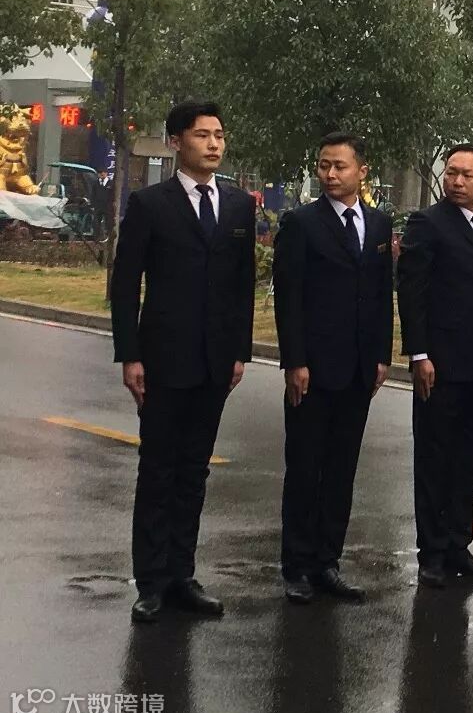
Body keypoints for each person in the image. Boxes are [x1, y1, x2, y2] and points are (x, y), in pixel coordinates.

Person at [111, 100, 256, 623]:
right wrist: (130, 355)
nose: (214, 144)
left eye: (219, 134)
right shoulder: (150, 204)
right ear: (176, 142)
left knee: (194, 472)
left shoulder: (237, 206)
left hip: (215, 363)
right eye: (201, 135)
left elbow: (242, 285)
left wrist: (240, 351)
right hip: (163, 359)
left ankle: (182, 574)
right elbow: (125, 285)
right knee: (158, 470)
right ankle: (151, 582)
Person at [272, 132, 393, 605]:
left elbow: (381, 294)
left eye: (340, 166)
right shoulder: (301, 223)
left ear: (362, 171)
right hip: (314, 368)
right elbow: (289, 297)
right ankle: (296, 566)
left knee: (342, 470)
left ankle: (328, 562)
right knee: (305, 468)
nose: (330, 174)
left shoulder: (378, 224)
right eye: (324, 165)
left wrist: (381, 355)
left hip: (359, 368)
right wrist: (295, 360)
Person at [397, 143, 473, 588]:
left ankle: (458, 544)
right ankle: (431, 552)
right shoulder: (427, 224)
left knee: (468, 458)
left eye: (467, 175)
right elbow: (413, 291)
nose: (457, 181)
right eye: (451, 173)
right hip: (440, 364)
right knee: (435, 458)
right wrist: (419, 354)